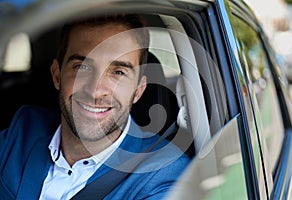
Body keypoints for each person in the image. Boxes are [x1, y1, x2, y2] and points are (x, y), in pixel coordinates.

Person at [0, 14, 190, 199]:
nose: (95, 91)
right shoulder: (24, 129)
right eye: (82, 67)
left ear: (139, 90)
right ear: (57, 75)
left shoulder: (164, 173)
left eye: (118, 72)